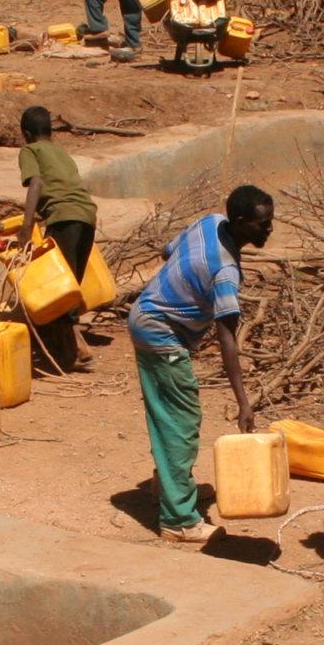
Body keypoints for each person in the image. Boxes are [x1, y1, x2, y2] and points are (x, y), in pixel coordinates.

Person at [128, 185, 272, 544]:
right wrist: (243, 402)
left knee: (168, 412)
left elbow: (167, 251)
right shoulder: (224, 272)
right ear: (240, 223)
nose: (269, 230)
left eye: (270, 222)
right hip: (160, 331)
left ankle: (171, 486)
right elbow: (228, 340)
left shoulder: (211, 222)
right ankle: (179, 519)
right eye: (261, 225)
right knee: (181, 418)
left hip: (147, 316)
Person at [16, 105, 99, 372]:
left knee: (57, 289)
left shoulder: (30, 151)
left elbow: (37, 184)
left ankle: (70, 351)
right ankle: (78, 346)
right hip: (87, 217)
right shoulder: (62, 154)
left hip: (64, 218)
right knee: (70, 285)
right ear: (50, 132)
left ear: (26, 133)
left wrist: (26, 228)